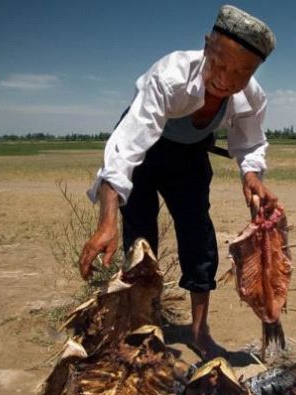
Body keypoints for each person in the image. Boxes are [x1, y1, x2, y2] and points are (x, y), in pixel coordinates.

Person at [79, 4, 279, 360]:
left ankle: (199, 333)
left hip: (188, 155)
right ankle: (144, 330)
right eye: (218, 63)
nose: (225, 79)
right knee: (140, 242)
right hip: (146, 151)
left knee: (199, 238)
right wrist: (106, 221)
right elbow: (125, 150)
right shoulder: (170, 76)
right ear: (206, 46)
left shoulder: (251, 96)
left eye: (240, 73)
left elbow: (249, 143)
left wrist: (250, 175)